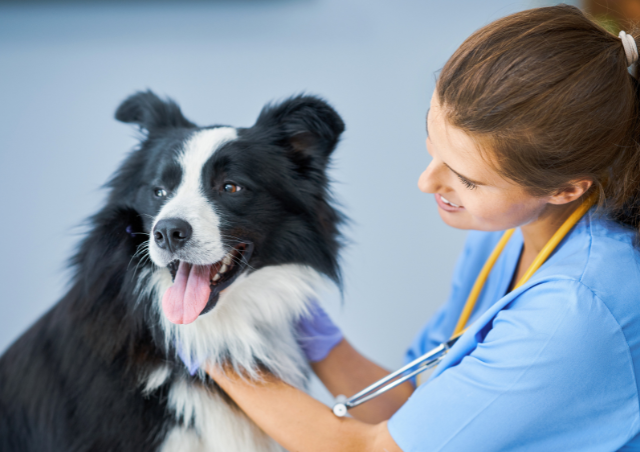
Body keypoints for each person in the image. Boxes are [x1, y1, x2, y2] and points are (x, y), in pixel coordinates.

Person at [204, 5, 640, 451]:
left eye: (467, 178)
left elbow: (373, 449)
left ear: (566, 189)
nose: (426, 182)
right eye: (432, 143)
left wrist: (210, 352)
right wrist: (304, 326)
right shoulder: (510, 236)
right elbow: (414, 410)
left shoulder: (575, 311)